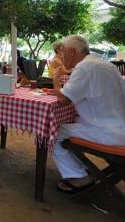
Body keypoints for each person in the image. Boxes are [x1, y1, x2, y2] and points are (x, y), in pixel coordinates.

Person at [52, 35, 125, 194]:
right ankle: (84, 170)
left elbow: (64, 99)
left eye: (62, 53)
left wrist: (55, 80)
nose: (61, 57)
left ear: (71, 51)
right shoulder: (106, 64)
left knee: (52, 133)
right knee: (72, 122)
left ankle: (80, 177)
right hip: (119, 128)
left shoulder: (84, 67)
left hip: (108, 133)